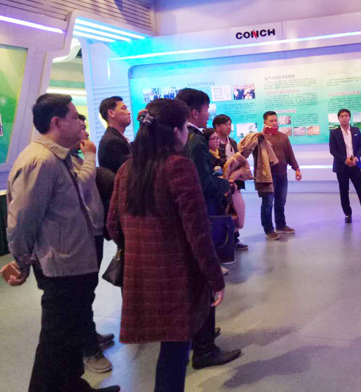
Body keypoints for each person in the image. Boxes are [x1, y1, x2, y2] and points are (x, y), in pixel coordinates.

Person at [106, 99, 226, 392]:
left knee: (170, 351)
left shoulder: (126, 169)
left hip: (141, 273)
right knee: (175, 352)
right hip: (176, 275)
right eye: (185, 127)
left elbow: (112, 225)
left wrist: (140, 248)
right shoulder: (179, 167)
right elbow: (197, 232)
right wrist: (215, 277)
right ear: (175, 131)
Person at [3, 93, 119, 392]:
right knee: (56, 341)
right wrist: (21, 261)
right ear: (56, 122)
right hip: (61, 266)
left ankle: (73, 386)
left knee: (69, 338)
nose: (80, 122)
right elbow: (22, 219)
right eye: (74, 116)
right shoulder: (39, 161)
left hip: (74, 260)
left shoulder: (59, 157)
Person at [175, 88, 242, 370]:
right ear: (194, 112)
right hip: (200, 215)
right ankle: (204, 349)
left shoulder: (177, 139)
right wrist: (225, 184)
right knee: (204, 280)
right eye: (206, 110)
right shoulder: (195, 141)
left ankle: (200, 336)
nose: (208, 115)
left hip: (183, 219)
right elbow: (201, 183)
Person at [71, 114, 115, 373]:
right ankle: (87, 348)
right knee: (79, 294)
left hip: (92, 233)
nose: (86, 133)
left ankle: (88, 334)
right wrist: (90, 156)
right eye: (80, 127)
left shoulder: (75, 158)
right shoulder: (61, 160)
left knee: (88, 290)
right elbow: (82, 185)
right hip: (78, 238)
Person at [253, 111, 302, 240]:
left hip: (282, 175)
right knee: (267, 203)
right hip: (267, 177)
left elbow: (289, 154)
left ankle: (280, 225)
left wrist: (296, 169)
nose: (274, 123)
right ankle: (268, 229)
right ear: (265, 122)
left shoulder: (283, 137)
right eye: (271, 121)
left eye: (276, 120)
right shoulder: (259, 138)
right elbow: (250, 148)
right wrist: (261, 135)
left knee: (280, 202)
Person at [329, 109, 361, 224]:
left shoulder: (356, 130)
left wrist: (357, 157)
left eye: (346, 116)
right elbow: (333, 150)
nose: (344, 118)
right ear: (338, 118)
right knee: (344, 192)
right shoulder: (334, 133)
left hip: (355, 165)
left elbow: (360, 146)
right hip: (342, 167)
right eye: (341, 116)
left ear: (349, 117)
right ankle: (347, 214)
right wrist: (344, 160)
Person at [213, 114, 248, 250]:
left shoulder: (232, 142)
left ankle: (235, 239)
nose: (229, 127)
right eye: (226, 124)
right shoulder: (213, 142)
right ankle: (225, 242)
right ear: (217, 126)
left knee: (237, 210)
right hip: (221, 183)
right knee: (224, 211)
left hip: (235, 183)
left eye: (230, 124)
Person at [98, 96, 131, 174]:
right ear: (111, 113)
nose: (128, 112)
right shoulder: (112, 141)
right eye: (123, 108)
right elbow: (126, 172)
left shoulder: (116, 137)